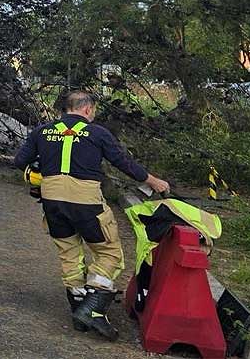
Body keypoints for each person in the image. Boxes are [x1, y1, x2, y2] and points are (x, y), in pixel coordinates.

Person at [13, 90, 170, 340]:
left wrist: (40, 174)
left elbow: (20, 161)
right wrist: (153, 181)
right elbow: (123, 162)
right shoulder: (97, 133)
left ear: (66, 109)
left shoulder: (42, 130)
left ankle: (78, 311)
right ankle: (92, 308)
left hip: (52, 202)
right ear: (87, 109)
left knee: (69, 254)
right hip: (86, 203)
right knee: (110, 253)